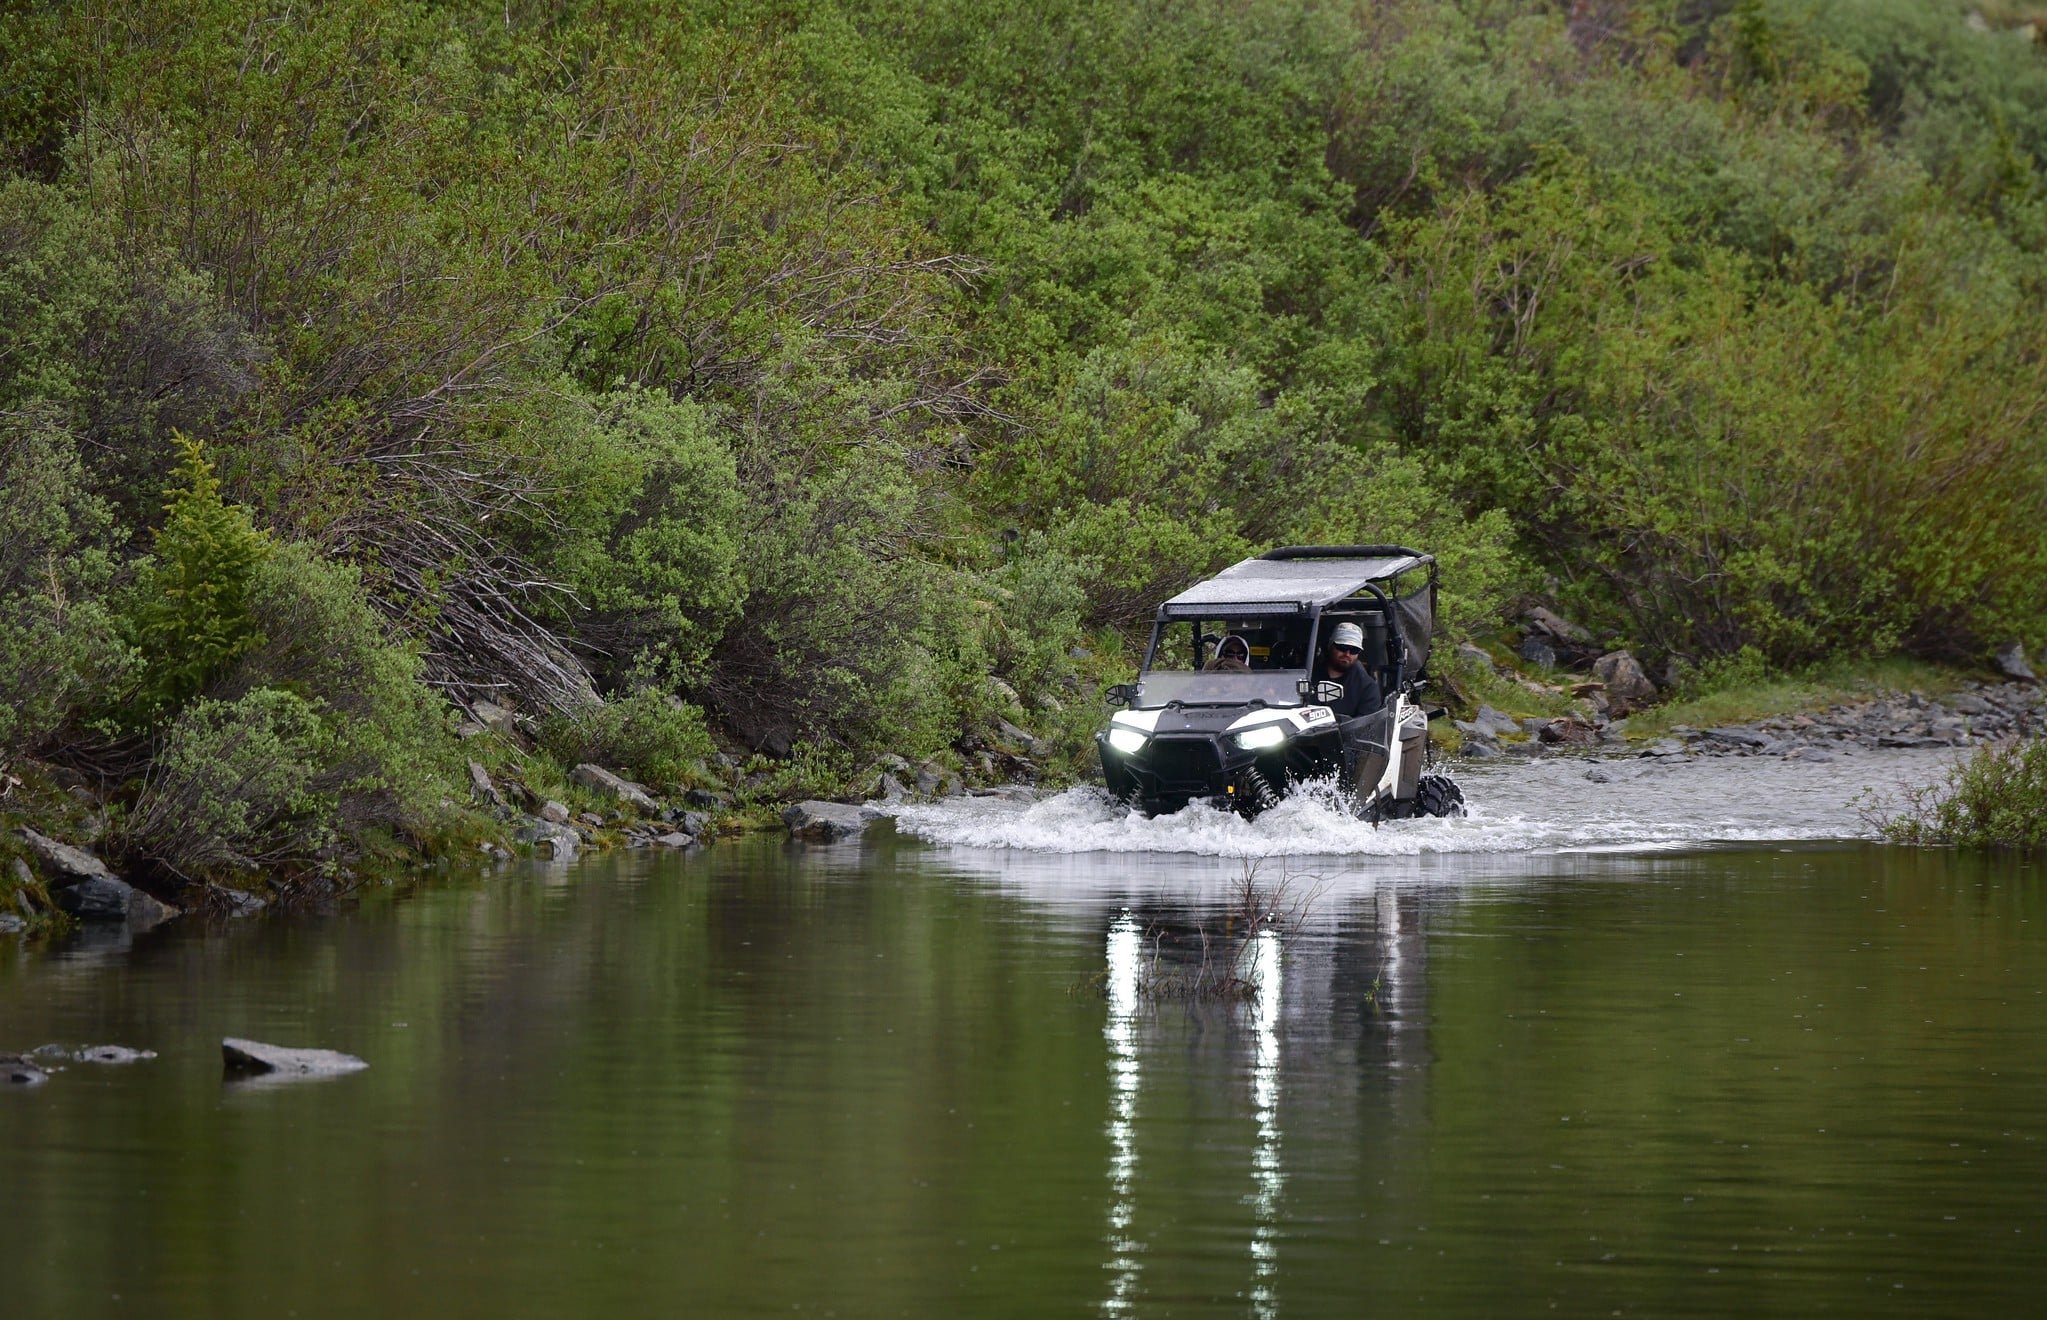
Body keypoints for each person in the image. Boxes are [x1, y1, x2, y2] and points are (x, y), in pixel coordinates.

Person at [1319, 620, 1383, 718]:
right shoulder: (1308, 676)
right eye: (1342, 647)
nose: (1347, 654)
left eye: (1354, 650)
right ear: (1330, 645)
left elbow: (1365, 726)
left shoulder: (1367, 688)